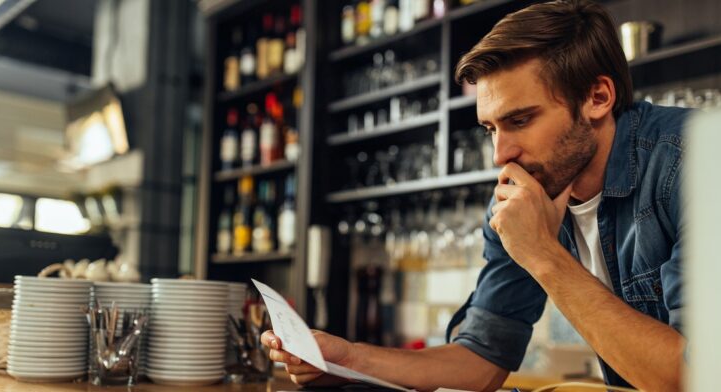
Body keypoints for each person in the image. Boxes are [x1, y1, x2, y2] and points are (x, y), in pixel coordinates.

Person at [263, 1, 688, 390]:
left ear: (598, 97)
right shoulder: (522, 192)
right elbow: (482, 358)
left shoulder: (692, 164)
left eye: (520, 120)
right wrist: (347, 358)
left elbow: (700, 375)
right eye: (490, 128)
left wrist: (541, 253)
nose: (500, 154)